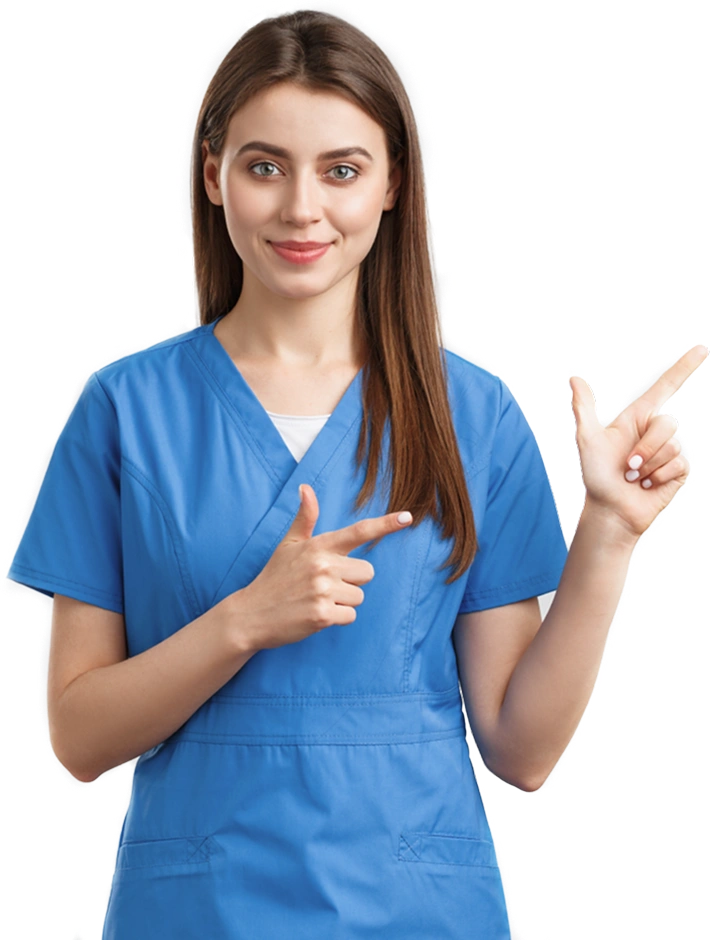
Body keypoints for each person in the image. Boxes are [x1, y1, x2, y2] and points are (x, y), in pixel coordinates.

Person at [5, 7, 708, 939]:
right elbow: (80, 739)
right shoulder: (127, 411)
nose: (303, 209)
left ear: (392, 187)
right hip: (198, 909)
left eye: (342, 170)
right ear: (212, 175)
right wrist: (244, 622)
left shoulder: (471, 414)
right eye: (265, 166)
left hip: (415, 908)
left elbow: (523, 751)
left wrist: (610, 534)